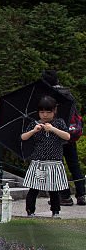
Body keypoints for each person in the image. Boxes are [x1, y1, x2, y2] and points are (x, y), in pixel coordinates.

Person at [41, 70, 85, 206]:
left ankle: (65, 196)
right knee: (74, 164)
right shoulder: (68, 94)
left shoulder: (48, 97)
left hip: (56, 134)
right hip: (70, 133)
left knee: (58, 166)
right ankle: (81, 194)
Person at [21, 95, 70, 217]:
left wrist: (53, 129)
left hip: (54, 162)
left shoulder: (59, 122)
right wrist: (34, 131)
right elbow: (23, 137)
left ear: (54, 111)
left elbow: (67, 137)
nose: (45, 115)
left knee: (54, 188)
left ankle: (55, 211)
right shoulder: (35, 124)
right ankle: (30, 210)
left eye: (48, 112)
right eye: (42, 112)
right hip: (39, 162)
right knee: (34, 188)